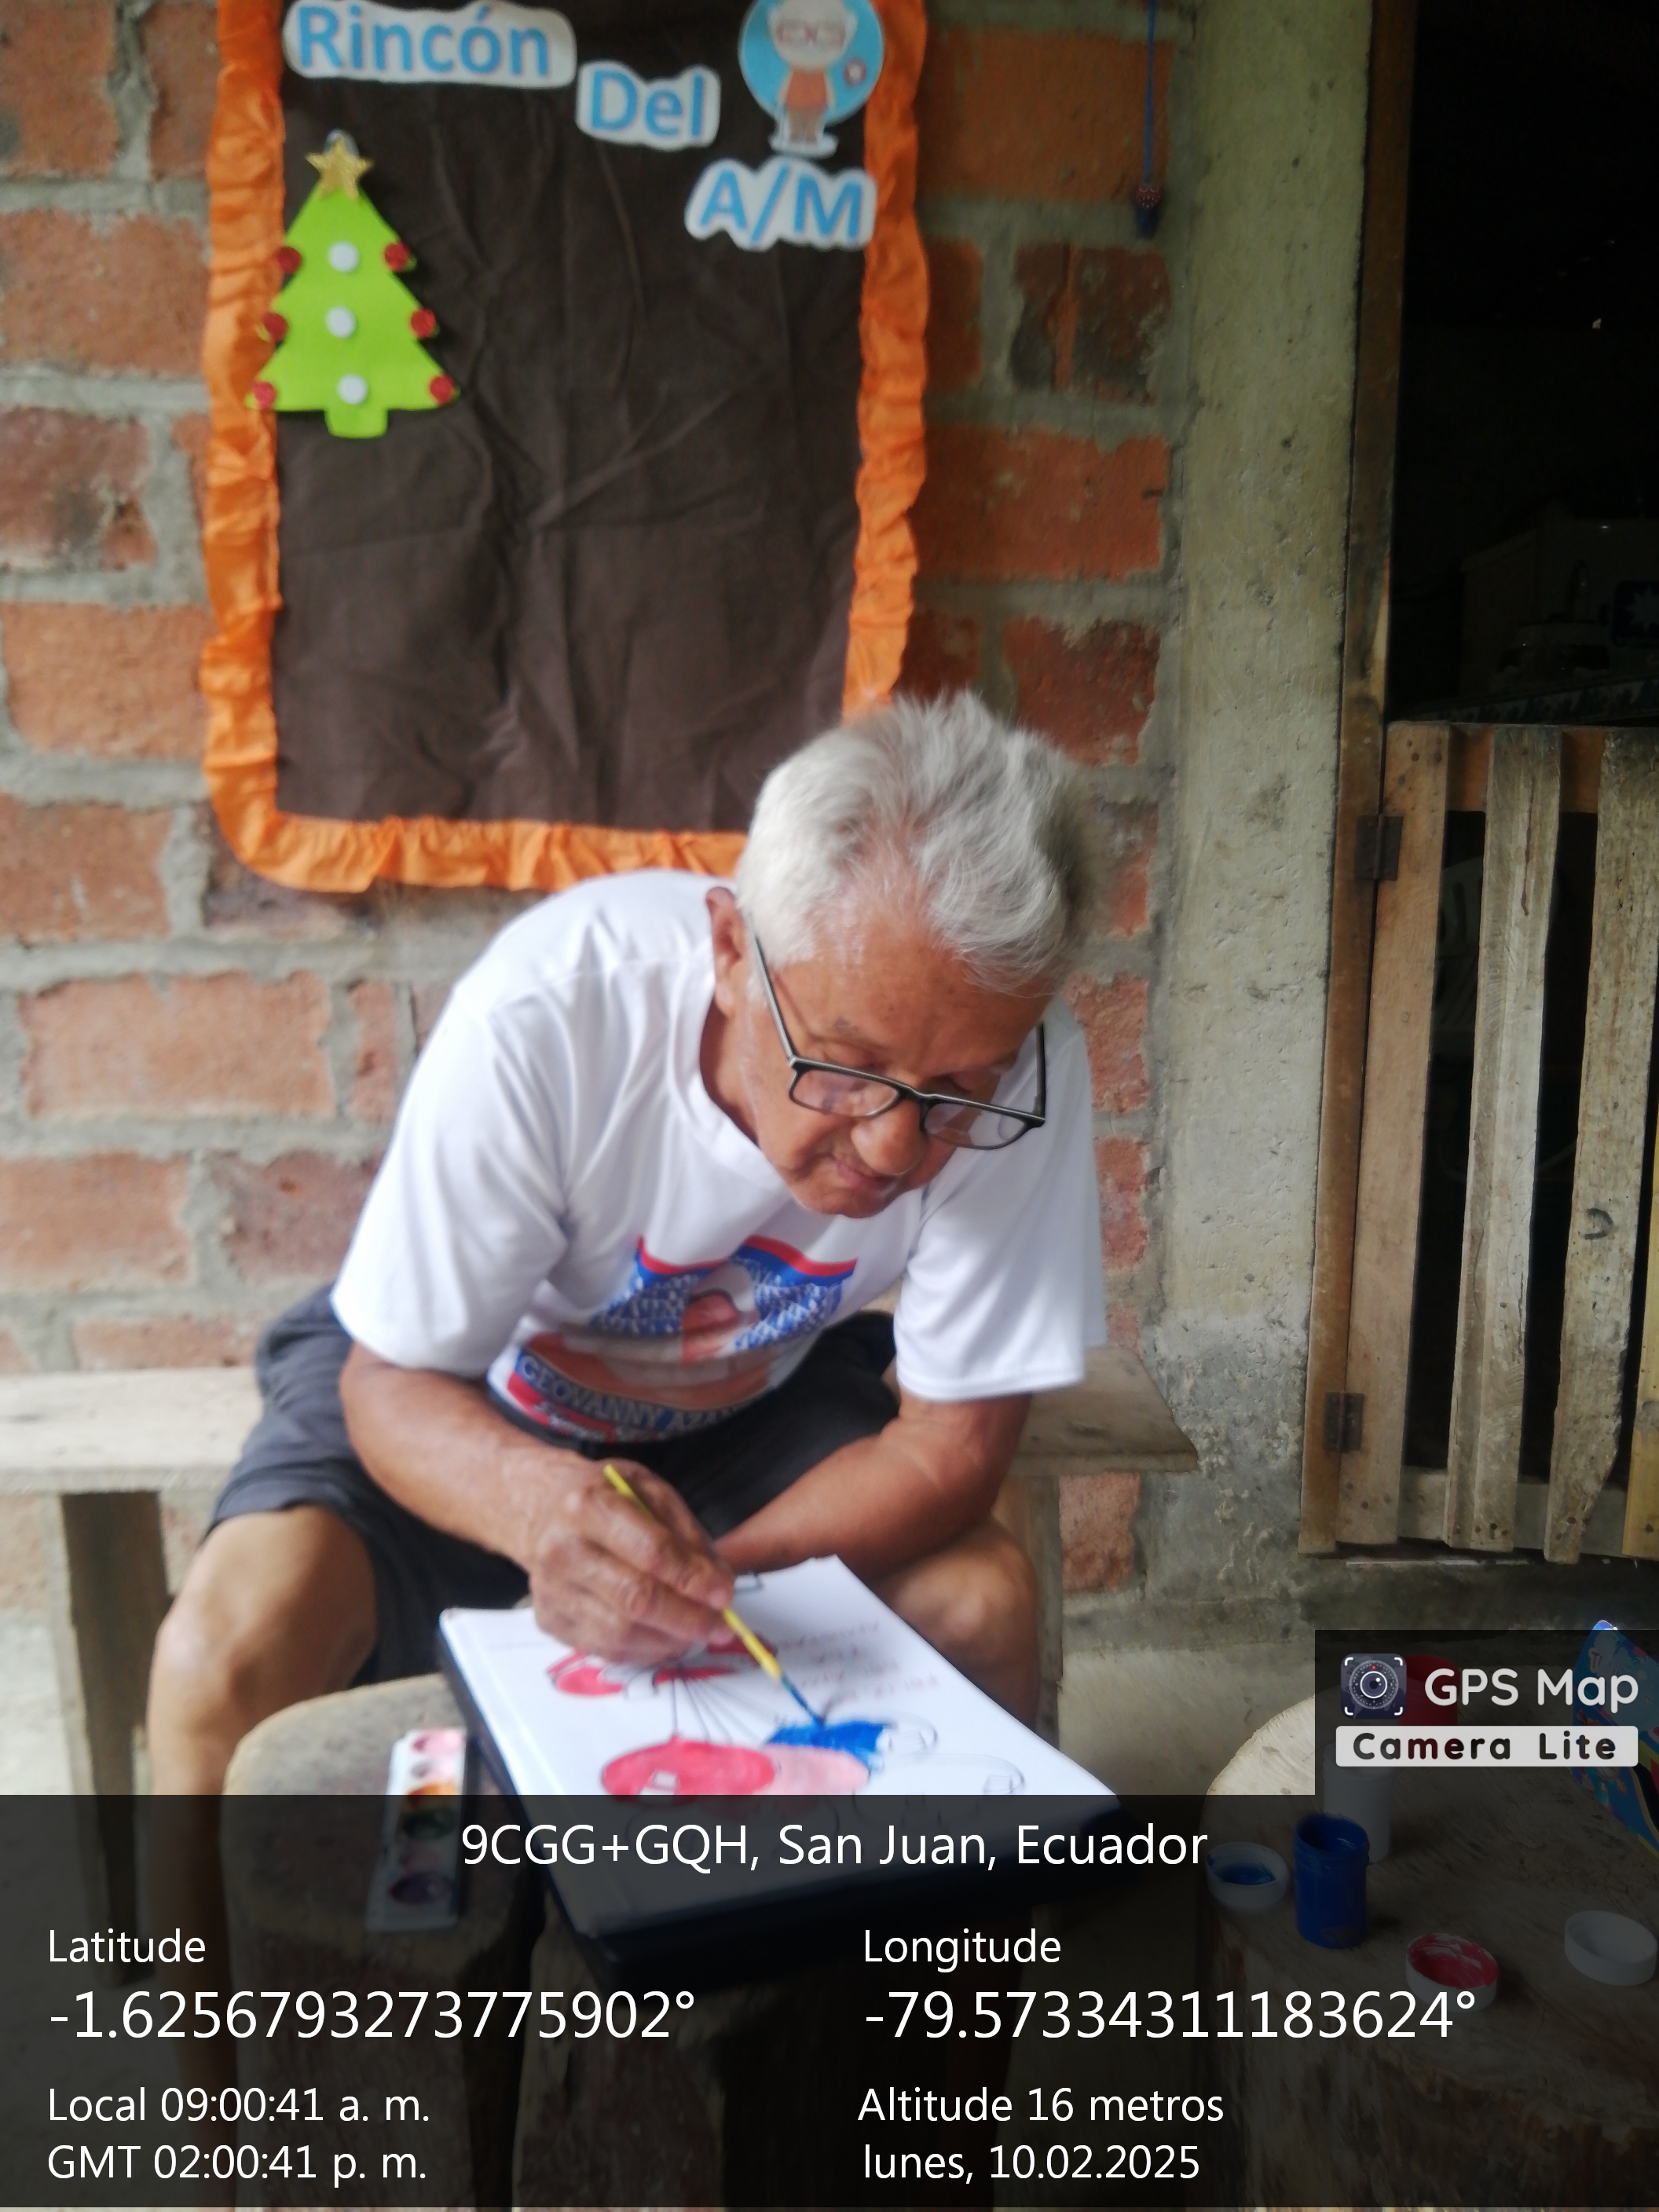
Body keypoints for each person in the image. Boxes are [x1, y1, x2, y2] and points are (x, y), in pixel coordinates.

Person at [147, 692, 1106, 1793]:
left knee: (980, 1609)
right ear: (733, 952)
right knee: (221, 1658)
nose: (894, 1146)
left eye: (955, 1091)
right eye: (845, 1066)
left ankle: (926, 1914)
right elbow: (391, 1381)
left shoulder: (1017, 1061)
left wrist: (691, 1582)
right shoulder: (553, 1013)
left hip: (758, 1405)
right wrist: (538, 1509)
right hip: (481, 1396)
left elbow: (947, 1449)